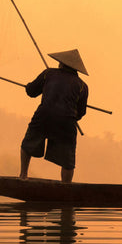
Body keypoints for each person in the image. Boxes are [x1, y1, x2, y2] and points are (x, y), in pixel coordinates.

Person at [20, 49, 90, 182]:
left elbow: (31, 91)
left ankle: (23, 175)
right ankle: (66, 186)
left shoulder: (48, 74)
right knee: (68, 160)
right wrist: (71, 116)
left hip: (44, 116)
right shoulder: (82, 86)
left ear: (62, 64)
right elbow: (81, 112)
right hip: (66, 121)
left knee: (27, 145)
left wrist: (27, 86)